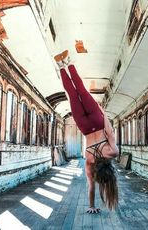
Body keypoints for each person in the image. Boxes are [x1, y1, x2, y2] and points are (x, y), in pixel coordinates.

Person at [54, 50, 119, 213]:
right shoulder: (90, 162)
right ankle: (61, 66)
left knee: (81, 90)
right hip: (83, 126)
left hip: (97, 121)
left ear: (111, 171)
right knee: (72, 94)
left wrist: (101, 111)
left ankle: (68, 62)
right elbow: (91, 188)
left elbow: (109, 130)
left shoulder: (113, 152)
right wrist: (91, 206)